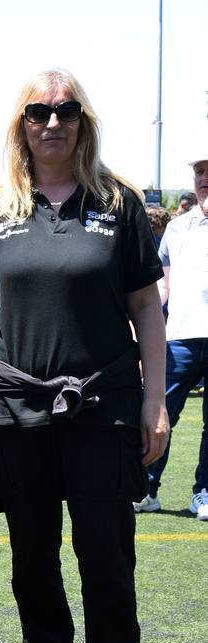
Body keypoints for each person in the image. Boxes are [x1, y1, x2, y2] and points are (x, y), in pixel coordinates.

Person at [0, 69, 167, 643]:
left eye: (65, 110)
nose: (52, 122)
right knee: (31, 558)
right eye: (38, 112)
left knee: (107, 556)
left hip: (103, 408)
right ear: (21, 124)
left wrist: (155, 399)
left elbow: (146, 310)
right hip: (13, 412)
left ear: (83, 121)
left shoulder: (119, 203)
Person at [136, 148, 208, 520]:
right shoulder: (177, 227)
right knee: (160, 413)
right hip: (179, 336)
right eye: (199, 171)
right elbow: (161, 286)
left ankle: (204, 492)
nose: (204, 178)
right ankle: (147, 489)